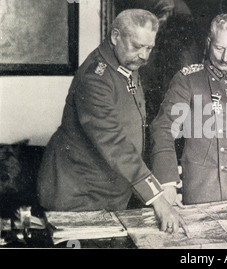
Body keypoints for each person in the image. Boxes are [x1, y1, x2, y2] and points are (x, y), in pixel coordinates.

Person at [37, 9, 187, 235]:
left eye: (149, 47)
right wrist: (156, 198)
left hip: (111, 192)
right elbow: (115, 142)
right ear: (115, 37)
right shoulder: (94, 78)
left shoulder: (126, 62)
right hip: (79, 196)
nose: (144, 56)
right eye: (137, 46)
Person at [149, 13, 227, 205]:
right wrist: (167, 181)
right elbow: (163, 129)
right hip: (203, 187)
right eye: (219, 48)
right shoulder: (188, 80)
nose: (226, 58)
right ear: (209, 41)